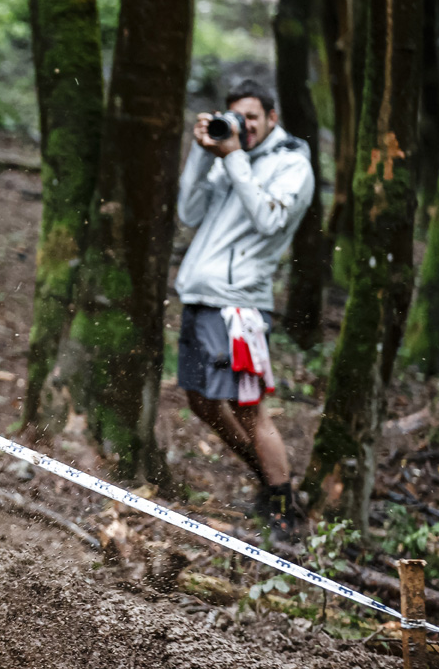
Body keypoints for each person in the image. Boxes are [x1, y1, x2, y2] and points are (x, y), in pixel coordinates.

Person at [174, 79, 314, 539]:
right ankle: (267, 479)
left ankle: (284, 509)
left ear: (272, 118)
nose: (244, 126)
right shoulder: (227, 157)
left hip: (238, 306)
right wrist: (202, 152)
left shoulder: (292, 164)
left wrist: (234, 156)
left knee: (248, 406)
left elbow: (270, 217)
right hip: (199, 295)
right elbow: (189, 213)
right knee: (199, 399)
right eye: (237, 116)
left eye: (252, 117)